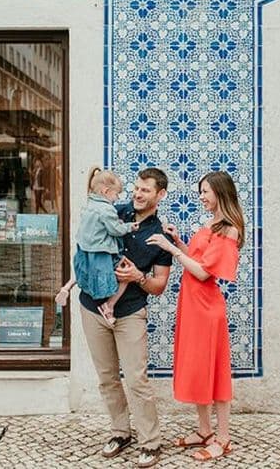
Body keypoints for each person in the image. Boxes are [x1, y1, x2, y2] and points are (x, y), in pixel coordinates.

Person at [72, 167, 173, 468]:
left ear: (160, 195)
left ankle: (150, 442)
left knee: (137, 379)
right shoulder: (112, 210)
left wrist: (138, 276)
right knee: (106, 378)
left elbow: (159, 286)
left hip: (129, 312)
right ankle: (120, 432)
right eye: (136, 188)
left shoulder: (160, 236)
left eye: (145, 190)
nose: (137, 194)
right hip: (92, 306)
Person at [146, 171, 244, 462]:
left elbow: (203, 272)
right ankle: (204, 431)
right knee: (199, 370)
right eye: (200, 191)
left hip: (206, 308)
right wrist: (180, 242)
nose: (201, 196)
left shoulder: (229, 229)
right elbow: (198, 261)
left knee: (215, 374)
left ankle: (223, 438)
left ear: (220, 192)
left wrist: (171, 248)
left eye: (205, 191)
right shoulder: (211, 224)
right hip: (191, 305)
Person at [56, 167, 139, 324]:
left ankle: (66, 287)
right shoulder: (107, 209)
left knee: (83, 271)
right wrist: (129, 227)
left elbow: (97, 226)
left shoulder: (89, 204)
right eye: (116, 194)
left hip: (85, 249)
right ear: (106, 191)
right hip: (101, 252)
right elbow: (115, 230)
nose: (117, 198)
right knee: (125, 272)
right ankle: (108, 306)